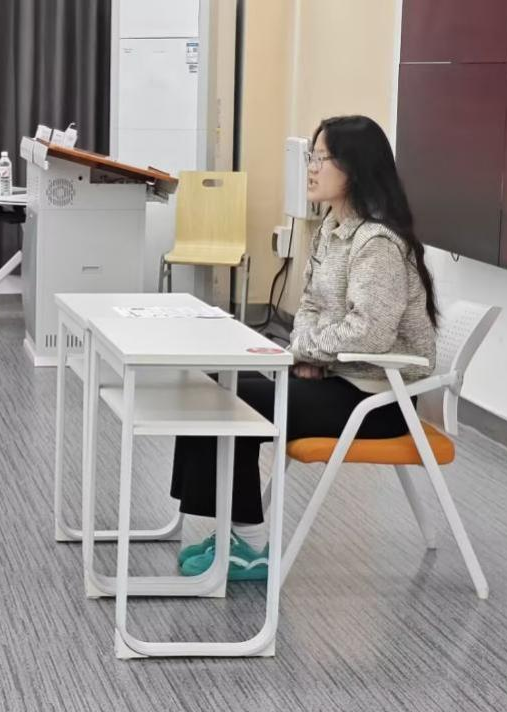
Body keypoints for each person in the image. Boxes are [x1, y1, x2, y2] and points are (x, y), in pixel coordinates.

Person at [171, 115, 439, 581]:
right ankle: (234, 532)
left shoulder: (377, 242)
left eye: (321, 158)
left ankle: (251, 548)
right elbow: (310, 307)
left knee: (230, 399)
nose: (311, 167)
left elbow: (370, 333)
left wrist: (308, 354)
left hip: (378, 401)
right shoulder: (332, 229)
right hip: (342, 380)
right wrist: (306, 353)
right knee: (212, 383)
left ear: (354, 167)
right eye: (311, 157)